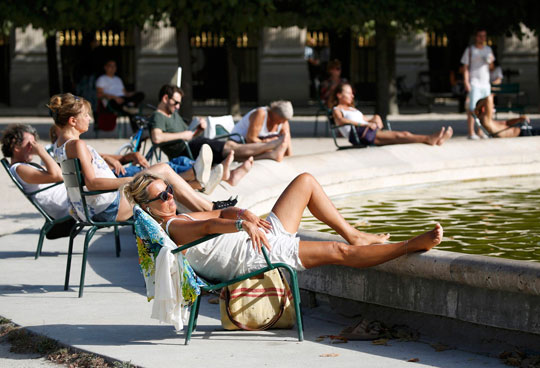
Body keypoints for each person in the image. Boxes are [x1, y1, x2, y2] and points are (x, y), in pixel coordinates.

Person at [124, 172, 443, 282]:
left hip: (256, 237)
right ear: (149, 208)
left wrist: (244, 214)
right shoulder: (175, 227)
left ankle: (354, 232)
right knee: (337, 251)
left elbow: (212, 211)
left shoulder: (176, 217)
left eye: (169, 191)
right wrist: (239, 224)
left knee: (304, 182)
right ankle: (409, 246)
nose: (170, 197)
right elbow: (209, 228)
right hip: (254, 254)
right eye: (162, 197)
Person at [47, 93, 215, 222]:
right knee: (162, 171)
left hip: (93, 208)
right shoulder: (77, 145)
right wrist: (130, 180)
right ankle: (209, 207)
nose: (89, 119)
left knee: (163, 178)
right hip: (109, 208)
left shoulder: (60, 145)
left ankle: (203, 200)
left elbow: (89, 167)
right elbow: (92, 183)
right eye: (85, 115)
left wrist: (117, 159)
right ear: (72, 121)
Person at [150, 85, 287, 172]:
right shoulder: (158, 116)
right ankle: (270, 145)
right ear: (165, 98)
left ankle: (270, 153)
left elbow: (188, 135)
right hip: (187, 151)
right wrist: (183, 135)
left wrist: (198, 129)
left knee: (232, 151)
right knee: (231, 149)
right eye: (176, 103)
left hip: (193, 145)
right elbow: (157, 137)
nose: (178, 106)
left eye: (179, 103)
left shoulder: (172, 114)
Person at [331, 83, 453, 146]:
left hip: (367, 131)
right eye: (349, 93)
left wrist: (375, 118)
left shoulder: (353, 110)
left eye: (352, 93)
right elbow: (341, 121)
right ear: (339, 95)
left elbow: (366, 120)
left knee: (402, 135)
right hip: (360, 135)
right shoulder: (337, 109)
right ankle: (429, 139)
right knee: (401, 135)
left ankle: (438, 140)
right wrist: (362, 124)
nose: (352, 96)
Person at [1, 124, 70, 219]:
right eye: (30, 144)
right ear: (16, 146)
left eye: (34, 144)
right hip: (68, 206)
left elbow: (60, 172)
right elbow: (58, 176)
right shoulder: (19, 168)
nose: (33, 148)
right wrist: (42, 152)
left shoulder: (27, 166)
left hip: (72, 199)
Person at [461, 29, 495, 140]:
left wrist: (489, 62)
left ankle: (481, 131)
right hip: (474, 82)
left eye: (484, 36)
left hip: (485, 83)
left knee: (484, 109)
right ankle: (471, 132)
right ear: (476, 37)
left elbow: (492, 68)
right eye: (480, 36)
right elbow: (465, 68)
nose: (482, 38)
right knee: (472, 108)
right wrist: (466, 81)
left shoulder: (488, 50)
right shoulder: (470, 50)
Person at [96, 60, 145, 132]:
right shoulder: (102, 79)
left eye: (114, 66)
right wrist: (115, 97)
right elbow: (100, 94)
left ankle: (129, 106)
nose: (113, 68)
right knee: (129, 109)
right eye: (110, 66)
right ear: (105, 67)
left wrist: (132, 94)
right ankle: (130, 107)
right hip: (111, 101)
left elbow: (125, 93)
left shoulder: (118, 79)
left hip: (123, 99)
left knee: (140, 94)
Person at [474, 95, 539, 137]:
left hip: (525, 131)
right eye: (492, 107)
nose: (494, 109)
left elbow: (506, 123)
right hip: (524, 134)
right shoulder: (486, 120)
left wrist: (519, 119)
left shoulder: (490, 122)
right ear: (483, 109)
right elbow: (489, 98)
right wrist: (476, 109)